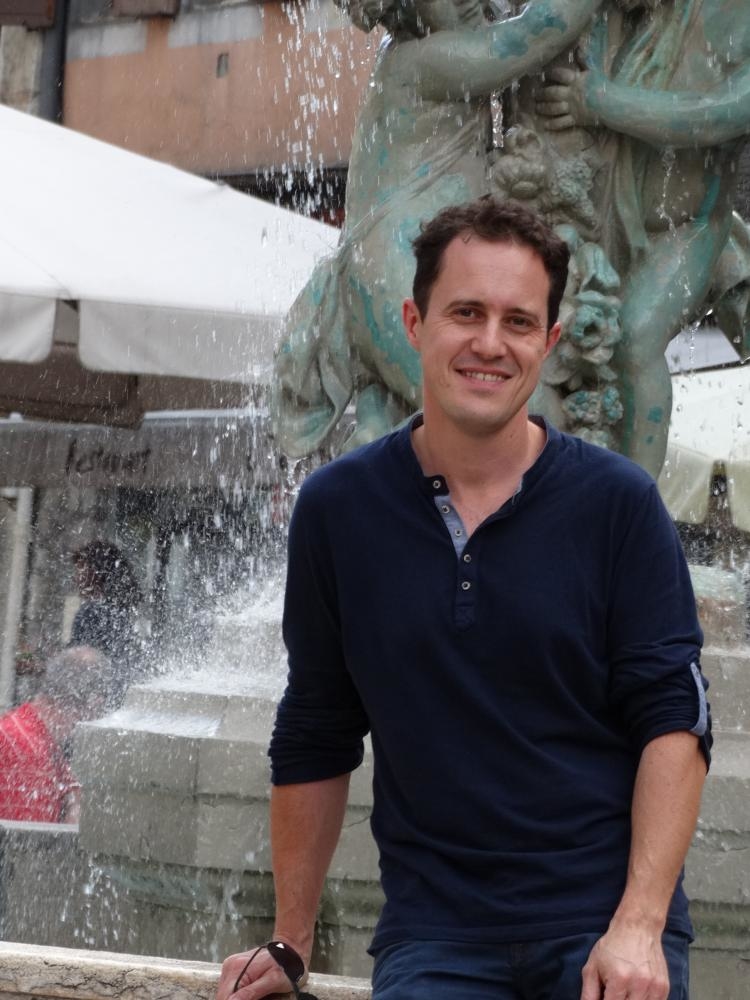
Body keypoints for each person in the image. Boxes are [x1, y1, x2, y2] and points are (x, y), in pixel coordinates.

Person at [217, 197, 711, 1000]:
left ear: (550, 342)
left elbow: (676, 719)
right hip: (435, 936)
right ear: (414, 324)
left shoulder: (619, 504)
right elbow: (315, 726)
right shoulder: (338, 510)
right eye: (466, 313)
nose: (490, 343)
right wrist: (291, 941)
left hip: (602, 928)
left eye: (519, 322)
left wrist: (640, 924)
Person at [274, 0, 606, 458]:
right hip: (401, 273)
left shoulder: (403, 58)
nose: (471, 5)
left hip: (387, 273)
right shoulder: (423, 62)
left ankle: (373, 460)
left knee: (418, 429)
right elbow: (533, 34)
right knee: (523, 416)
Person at [535, 0, 750, 476]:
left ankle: (641, 499)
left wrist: (600, 103)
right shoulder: (627, 14)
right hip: (592, 208)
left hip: (688, 228)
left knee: (635, 336)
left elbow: (721, 115)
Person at [0, 646, 115, 823]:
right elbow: (29, 837)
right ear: (94, 703)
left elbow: (72, 788)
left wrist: (73, 800)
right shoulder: (26, 749)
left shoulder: (31, 731)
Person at [71, 540, 143, 700]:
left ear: (96, 573)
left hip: (98, 698)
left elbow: (78, 665)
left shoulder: (90, 612)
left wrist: (42, 666)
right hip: (124, 696)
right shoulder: (122, 609)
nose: (75, 579)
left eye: (81, 570)